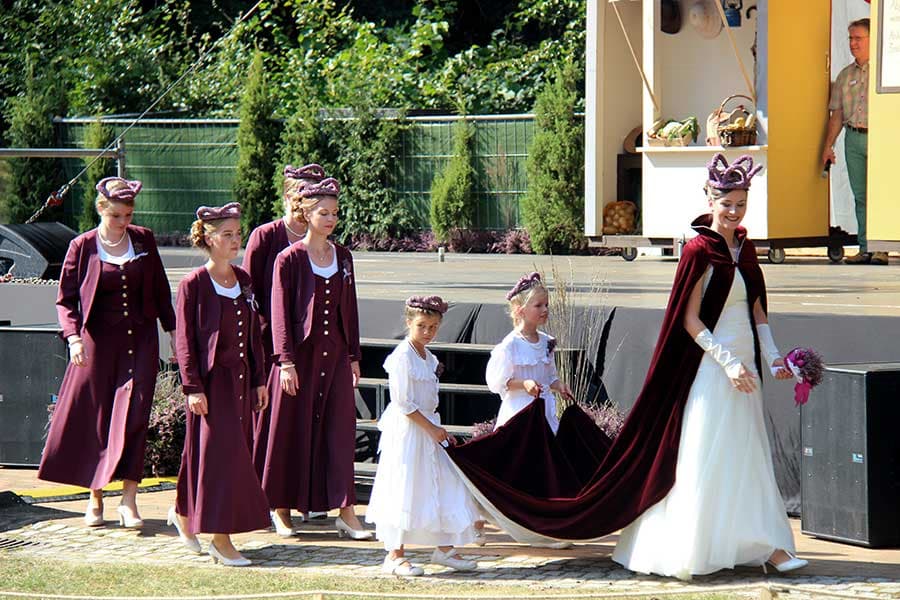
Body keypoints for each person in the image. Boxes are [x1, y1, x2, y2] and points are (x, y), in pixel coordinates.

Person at [612, 154, 807, 579]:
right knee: (706, 453)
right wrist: (728, 362)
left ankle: (768, 546)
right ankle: (693, 545)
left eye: (741, 204)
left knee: (748, 454)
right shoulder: (698, 250)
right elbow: (689, 317)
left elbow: (758, 310)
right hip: (712, 364)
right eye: (726, 204)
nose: (733, 212)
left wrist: (774, 357)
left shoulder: (748, 249)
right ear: (709, 198)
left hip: (746, 369)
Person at [38, 177, 175, 529]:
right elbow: (66, 300)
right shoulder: (82, 246)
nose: (123, 222)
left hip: (140, 342)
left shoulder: (143, 239)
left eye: (128, 214)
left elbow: (160, 289)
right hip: (96, 344)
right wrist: (73, 338)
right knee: (96, 419)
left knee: (136, 418)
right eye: (116, 215)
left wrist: (173, 332)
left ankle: (129, 500)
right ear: (101, 209)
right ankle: (95, 496)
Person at [262, 177, 373, 540]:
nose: (330, 219)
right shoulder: (287, 259)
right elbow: (279, 314)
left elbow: (351, 309)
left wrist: (354, 355)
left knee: (340, 431)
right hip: (300, 358)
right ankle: (281, 508)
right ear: (305, 213)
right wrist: (285, 361)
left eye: (335, 213)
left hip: (336, 355)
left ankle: (347, 511)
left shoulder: (344, 256)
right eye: (323, 213)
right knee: (289, 430)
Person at [169, 202, 271, 567]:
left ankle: (183, 512)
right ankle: (220, 537)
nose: (235, 241)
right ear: (207, 238)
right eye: (226, 235)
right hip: (210, 386)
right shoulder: (192, 284)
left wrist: (260, 380)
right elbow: (184, 342)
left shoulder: (243, 280)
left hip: (242, 383)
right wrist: (192, 387)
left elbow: (255, 337)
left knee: (217, 453)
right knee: (218, 458)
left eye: (237, 234)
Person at [366, 296, 480, 576]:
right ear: (409, 323)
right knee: (405, 487)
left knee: (443, 484)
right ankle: (395, 554)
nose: (428, 332)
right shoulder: (401, 357)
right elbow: (403, 402)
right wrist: (430, 428)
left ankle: (444, 548)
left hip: (429, 425)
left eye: (433, 326)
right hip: (409, 431)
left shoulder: (429, 357)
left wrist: (434, 426)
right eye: (422, 326)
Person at [242, 163, 325, 532]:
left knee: (307, 423)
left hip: (311, 348)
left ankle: (305, 496)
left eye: (308, 198)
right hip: (270, 347)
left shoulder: (320, 237)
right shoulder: (265, 236)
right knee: (273, 425)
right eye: (296, 197)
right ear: (286, 196)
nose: (300, 205)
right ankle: (272, 502)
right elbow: (247, 289)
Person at [822, 18, 887, 266]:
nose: (853, 43)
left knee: (880, 193)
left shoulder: (885, 71)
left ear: (873, 40)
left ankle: (882, 247)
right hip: (853, 137)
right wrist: (829, 145)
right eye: (850, 38)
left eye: (858, 38)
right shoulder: (844, 75)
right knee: (860, 195)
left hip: (879, 137)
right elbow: (836, 114)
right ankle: (865, 246)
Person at [486, 272, 573, 434]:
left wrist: (559, 386)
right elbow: (499, 382)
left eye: (546, 305)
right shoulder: (510, 345)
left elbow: (549, 377)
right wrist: (524, 384)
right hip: (520, 411)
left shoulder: (547, 342)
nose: (545, 309)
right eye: (538, 305)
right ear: (520, 310)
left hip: (544, 410)